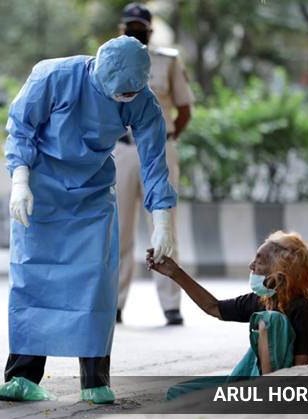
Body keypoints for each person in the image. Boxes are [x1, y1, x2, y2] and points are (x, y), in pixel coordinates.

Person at [0, 35, 177, 404]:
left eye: (132, 93)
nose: (126, 99)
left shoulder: (141, 99)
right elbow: (22, 127)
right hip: (40, 191)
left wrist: (162, 221)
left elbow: (154, 161)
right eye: (120, 94)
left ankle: (94, 379)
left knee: (96, 283)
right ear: (100, 72)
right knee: (33, 278)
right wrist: (19, 180)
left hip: (92, 195)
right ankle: (23, 376)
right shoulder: (53, 77)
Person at [146, 231, 308, 398]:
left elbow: (302, 367)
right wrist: (175, 273)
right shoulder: (262, 300)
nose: (251, 265)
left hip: (285, 388)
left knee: (271, 320)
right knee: (179, 392)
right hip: (252, 380)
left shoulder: (300, 306)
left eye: (259, 261)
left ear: (279, 269)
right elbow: (213, 307)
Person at [115, 3, 195, 325]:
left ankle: (171, 304)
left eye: (140, 26)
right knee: (118, 229)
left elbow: (185, 108)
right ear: (122, 29)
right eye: (129, 26)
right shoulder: (111, 60)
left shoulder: (167, 61)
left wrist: (167, 137)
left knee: (164, 226)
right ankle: (114, 304)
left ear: (149, 31)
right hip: (122, 150)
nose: (135, 31)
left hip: (160, 149)